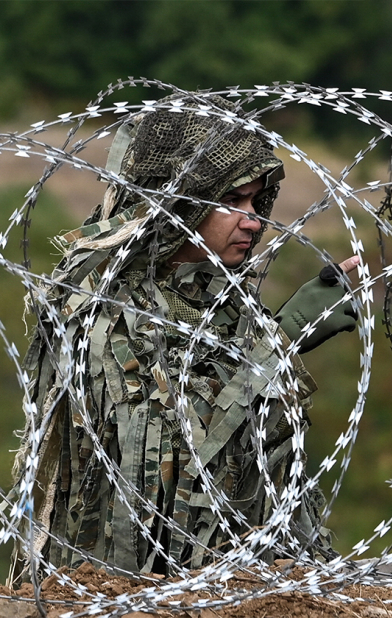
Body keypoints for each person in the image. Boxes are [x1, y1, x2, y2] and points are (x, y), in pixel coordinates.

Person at [11, 94, 358, 578]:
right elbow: (171, 448)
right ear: (175, 203)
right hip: (127, 580)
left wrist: (274, 336)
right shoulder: (105, 311)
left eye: (256, 202)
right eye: (231, 202)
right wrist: (285, 334)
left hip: (222, 580)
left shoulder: (220, 301)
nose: (253, 220)